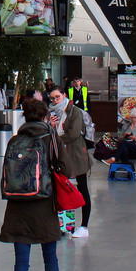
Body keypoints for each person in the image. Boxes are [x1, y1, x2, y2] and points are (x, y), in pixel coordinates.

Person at [0, 99, 71, 271]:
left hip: (17, 207)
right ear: (44, 117)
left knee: (21, 262)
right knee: (50, 257)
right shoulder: (51, 138)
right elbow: (67, 169)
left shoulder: (15, 139)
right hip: (43, 204)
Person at [48, 88, 91, 238]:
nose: (55, 101)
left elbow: (73, 134)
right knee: (61, 189)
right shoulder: (52, 113)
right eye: (52, 98)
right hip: (60, 156)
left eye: (57, 97)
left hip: (76, 155)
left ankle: (84, 225)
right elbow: (51, 133)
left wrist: (57, 138)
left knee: (82, 187)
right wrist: (51, 127)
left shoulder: (74, 111)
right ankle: (64, 224)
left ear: (64, 95)